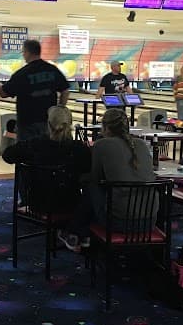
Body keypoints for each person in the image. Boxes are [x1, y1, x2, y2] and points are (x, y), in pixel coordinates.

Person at [58, 108, 155, 252]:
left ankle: (74, 232)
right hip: (150, 222)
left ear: (106, 127)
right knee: (105, 193)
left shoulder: (101, 145)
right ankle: (83, 234)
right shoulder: (141, 144)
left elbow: (94, 178)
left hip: (119, 223)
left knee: (91, 187)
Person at [2, 105, 91, 212]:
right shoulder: (79, 148)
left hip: (39, 204)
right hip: (71, 203)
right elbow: (89, 172)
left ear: (48, 124)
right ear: (70, 124)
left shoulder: (35, 144)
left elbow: (7, 155)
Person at [0, 39, 69, 141]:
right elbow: (65, 90)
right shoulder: (52, 69)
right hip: (48, 123)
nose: (23, 55)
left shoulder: (22, 73)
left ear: (27, 52)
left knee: (26, 155)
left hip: (27, 124)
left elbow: (3, 92)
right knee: (45, 154)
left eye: (23, 52)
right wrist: (59, 111)